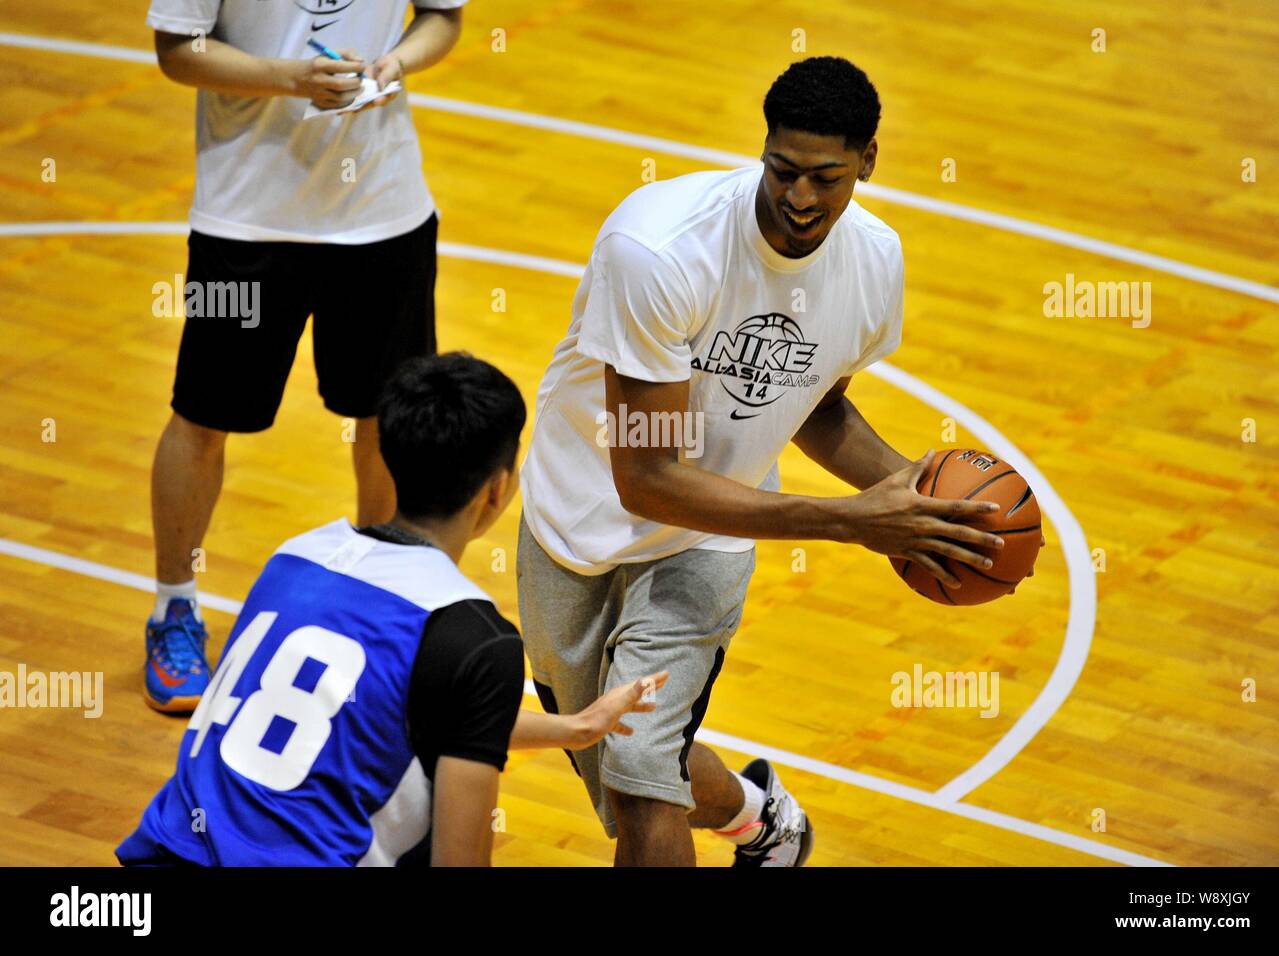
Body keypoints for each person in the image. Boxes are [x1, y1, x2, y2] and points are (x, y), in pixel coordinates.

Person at [517, 56, 1007, 867]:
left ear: (869, 162)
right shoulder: (659, 251)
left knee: (641, 778)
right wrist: (847, 523)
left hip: (707, 538)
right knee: (612, 758)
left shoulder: (875, 262)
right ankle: (755, 812)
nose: (801, 198)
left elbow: (812, 400)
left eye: (827, 176)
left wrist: (915, 495)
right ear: (763, 148)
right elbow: (646, 477)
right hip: (576, 515)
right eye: (783, 171)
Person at [119, 353, 667, 866]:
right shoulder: (475, 638)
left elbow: (400, 709)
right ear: (497, 492)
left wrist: (575, 728)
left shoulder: (298, 555)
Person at [143, 0, 468, 712]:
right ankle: (174, 609)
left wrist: (397, 61)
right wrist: (289, 79)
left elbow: (442, 17)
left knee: (386, 419)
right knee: (202, 415)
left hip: (385, 214)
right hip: (245, 224)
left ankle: (384, 604)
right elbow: (177, 50)